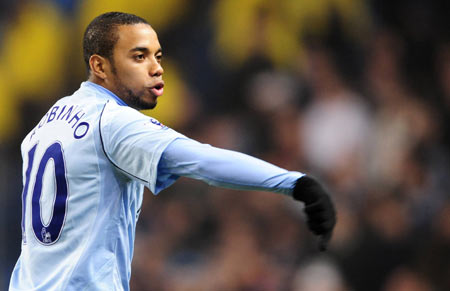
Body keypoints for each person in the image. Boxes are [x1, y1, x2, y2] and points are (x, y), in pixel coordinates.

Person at [9, 12, 336, 291]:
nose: (154, 69)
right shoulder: (113, 122)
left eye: (156, 57)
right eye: (138, 57)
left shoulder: (48, 123)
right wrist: (292, 182)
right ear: (100, 65)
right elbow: (206, 162)